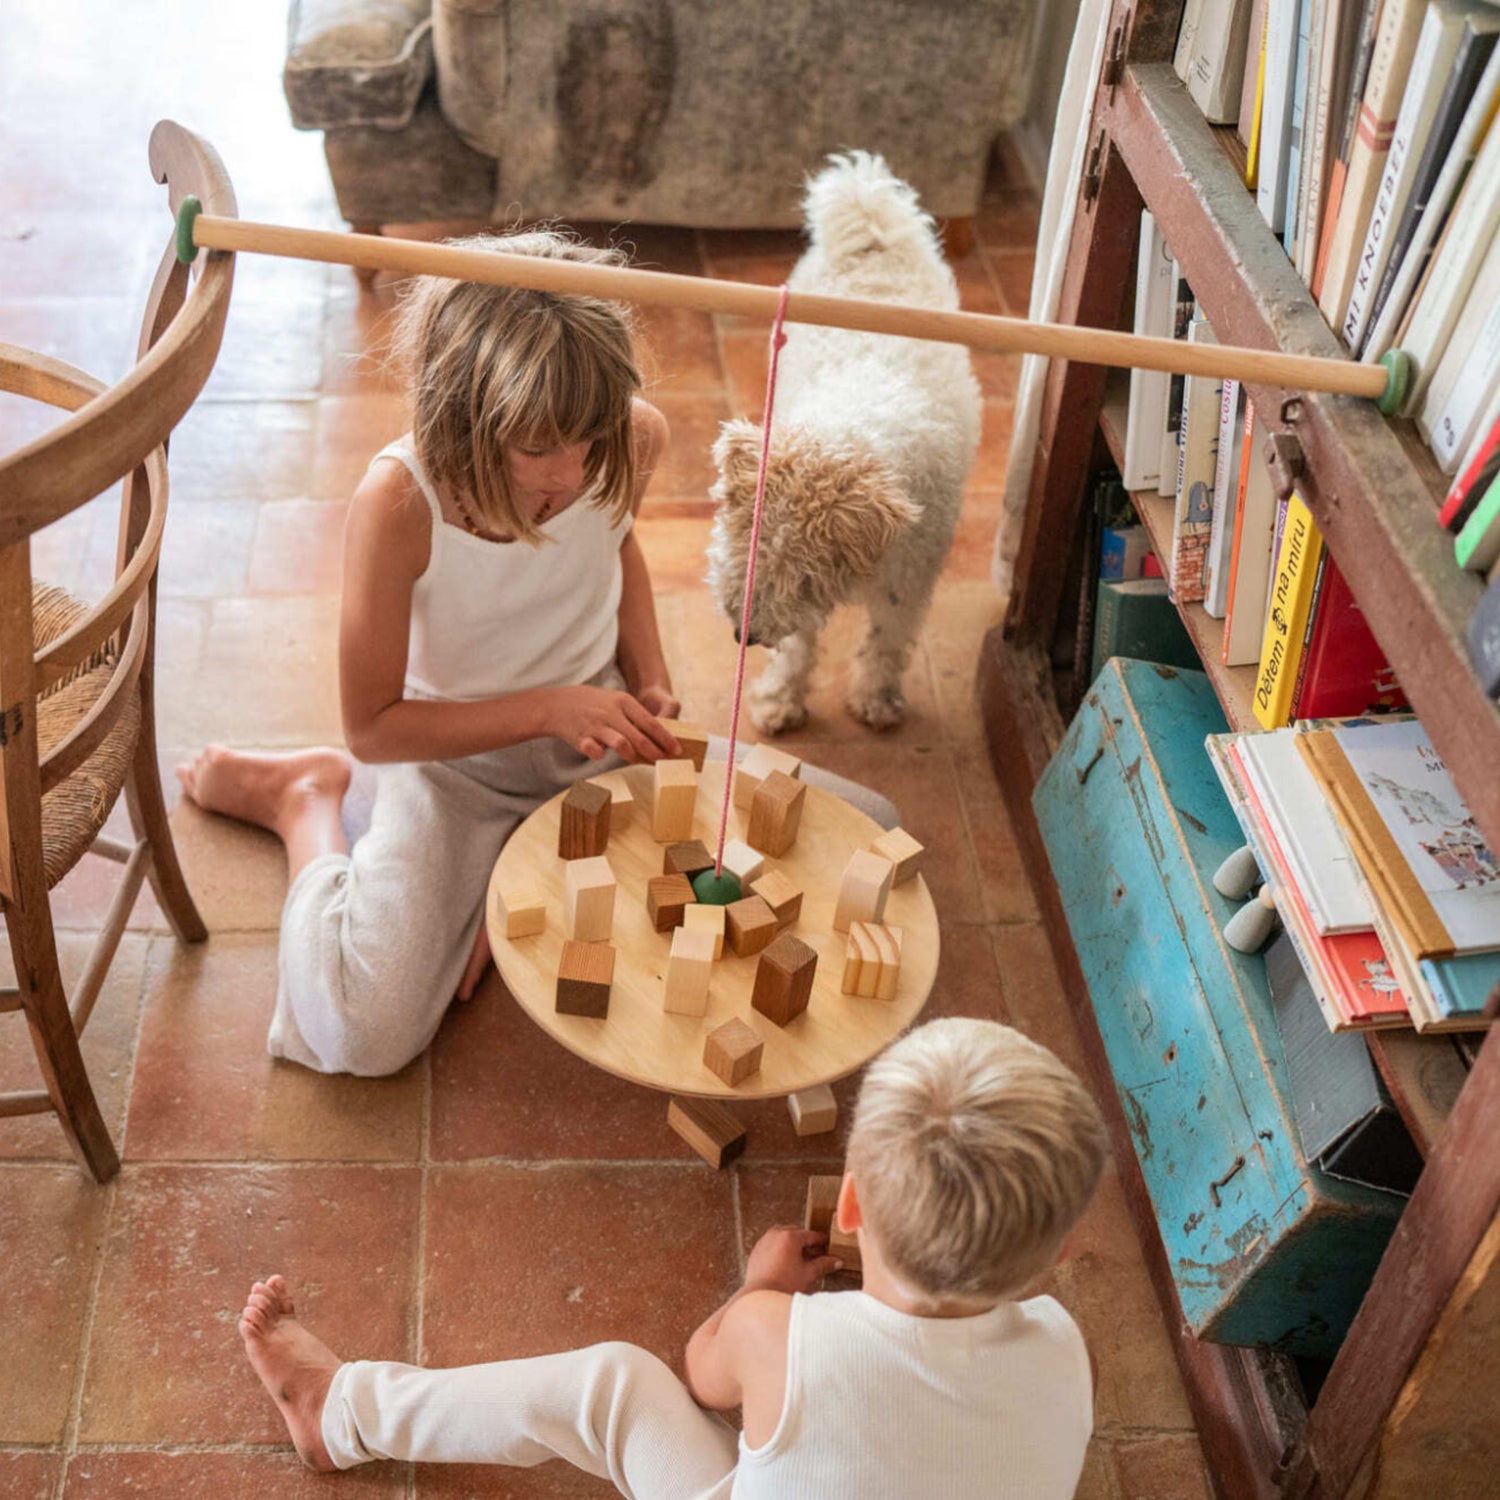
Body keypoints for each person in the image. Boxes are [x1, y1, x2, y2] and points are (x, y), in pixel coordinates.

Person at [177, 232, 685, 1076]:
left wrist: (653, 679)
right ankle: (303, 799)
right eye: (537, 448)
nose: (572, 471)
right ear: (464, 420)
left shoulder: (630, 439)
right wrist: (553, 707)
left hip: (597, 741)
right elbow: (374, 729)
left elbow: (616, 544)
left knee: (828, 848)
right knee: (360, 1033)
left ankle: (507, 876)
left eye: (590, 439)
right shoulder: (401, 500)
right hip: (451, 762)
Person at [238, 1017, 1110, 1497]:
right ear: (1059, 1253)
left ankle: (339, 1414)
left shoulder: (779, 1335)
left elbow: (702, 1377)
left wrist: (758, 1289)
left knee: (614, 1386)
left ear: (849, 1204)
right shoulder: (1067, 1352)